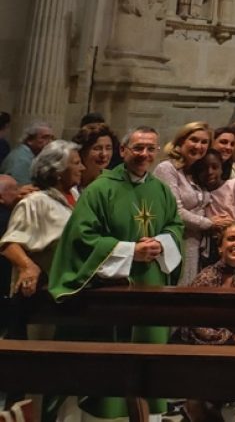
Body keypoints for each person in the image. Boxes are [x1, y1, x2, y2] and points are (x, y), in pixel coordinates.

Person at [48, 126, 183, 420]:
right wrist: (130, 251)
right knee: (113, 369)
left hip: (151, 289)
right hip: (115, 291)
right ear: (123, 151)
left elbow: (175, 226)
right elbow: (82, 238)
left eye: (150, 148)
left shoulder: (160, 190)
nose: (144, 154)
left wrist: (161, 243)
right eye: (138, 148)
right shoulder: (100, 188)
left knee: (150, 363)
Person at [175, 222, 235, 422]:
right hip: (202, 345)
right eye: (231, 239)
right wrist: (232, 338)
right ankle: (195, 407)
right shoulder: (207, 277)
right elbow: (195, 322)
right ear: (220, 247)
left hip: (233, 347)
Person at [2, 139, 82, 345]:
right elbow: (9, 243)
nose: (82, 167)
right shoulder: (35, 201)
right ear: (57, 169)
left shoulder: (75, 196)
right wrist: (27, 266)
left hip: (71, 290)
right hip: (41, 295)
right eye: (76, 162)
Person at [155, 121, 225, 284]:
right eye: (194, 140)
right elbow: (175, 211)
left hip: (197, 244)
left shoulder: (194, 172)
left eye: (204, 142)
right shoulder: (167, 169)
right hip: (177, 241)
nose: (198, 146)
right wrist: (209, 223)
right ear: (181, 141)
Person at [0, 121, 54, 185]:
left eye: (51, 138)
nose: (50, 142)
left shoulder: (32, 155)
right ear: (29, 140)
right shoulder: (21, 159)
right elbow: (22, 189)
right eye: (44, 137)